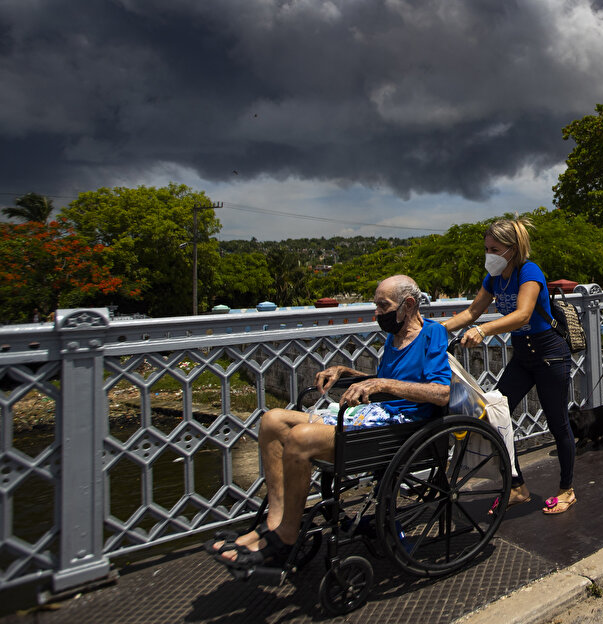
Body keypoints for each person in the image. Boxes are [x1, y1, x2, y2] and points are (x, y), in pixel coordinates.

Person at [210, 275, 451, 567]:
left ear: (408, 305)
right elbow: (384, 381)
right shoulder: (394, 337)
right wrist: (346, 373)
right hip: (373, 416)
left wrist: (381, 386)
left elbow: (441, 392)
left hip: (402, 427)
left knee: (301, 437)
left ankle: (286, 536)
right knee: (272, 421)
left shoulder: (432, 334)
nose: (376, 313)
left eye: (382, 305)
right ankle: (276, 523)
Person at [440, 218, 577, 515]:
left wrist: (483, 331)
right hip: (524, 356)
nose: (488, 254)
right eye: (486, 248)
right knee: (496, 416)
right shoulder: (493, 276)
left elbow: (524, 314)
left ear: (512, 250)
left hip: (549, 353)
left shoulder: (530, 271)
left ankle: (567, 489)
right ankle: (517, 486)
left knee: (558, 423)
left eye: (494, 248)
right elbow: (472, 311)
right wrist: (436, 332)